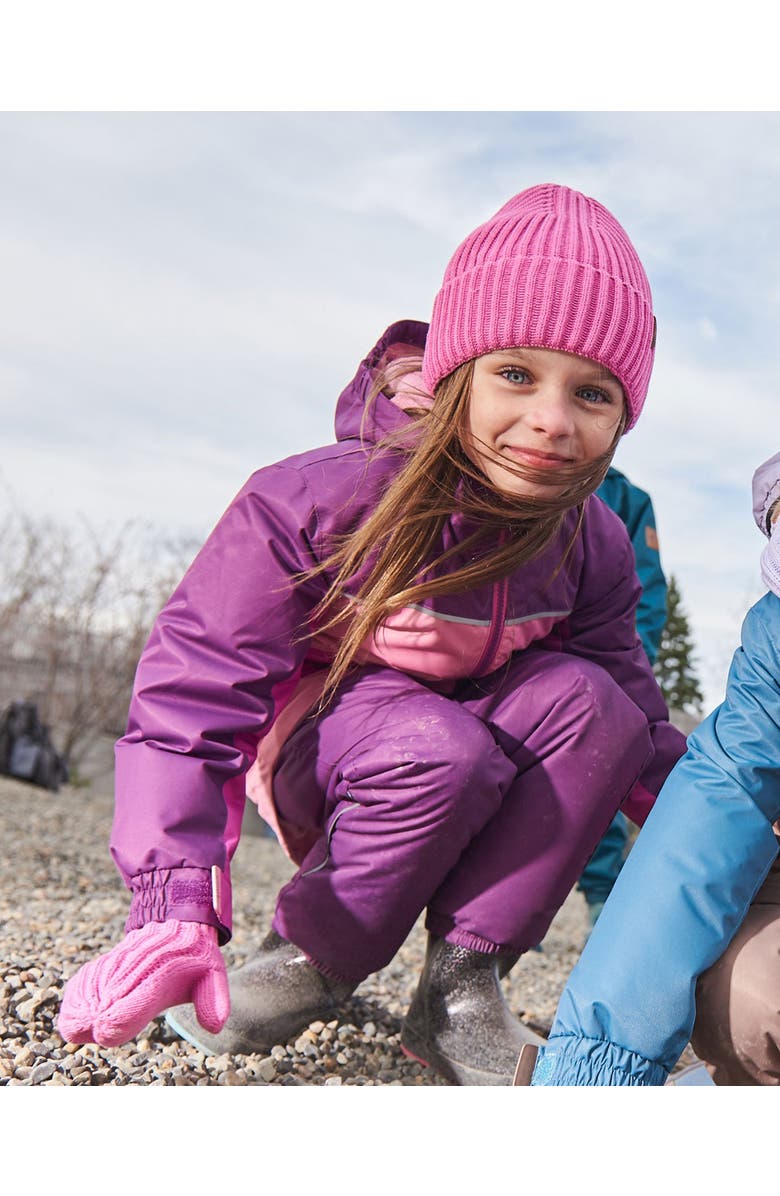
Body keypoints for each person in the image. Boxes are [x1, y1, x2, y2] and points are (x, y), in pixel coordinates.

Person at [56, 183, 687, 1086]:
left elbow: (638, 722)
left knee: (597, 707)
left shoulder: (596, 542)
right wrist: (173, 901)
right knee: (439, 746)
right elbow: (192, 694)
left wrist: (749, 838)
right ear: (456, 371)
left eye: (591, 392)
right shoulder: (317, 501)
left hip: (481, 759)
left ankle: (461, 988)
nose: (552, 420)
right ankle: (309, 959)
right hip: (333, 759)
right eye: (516, 375)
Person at [524, 451, 780, 1086]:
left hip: (595, 669)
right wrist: (597, 1061)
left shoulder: (627, 503)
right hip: (541, 694)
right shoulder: (774, 637)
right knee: (743, 999)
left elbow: (640, 601)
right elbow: (721, 796)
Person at [578, 467, 667, 927]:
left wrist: (634, 655)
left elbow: (648, 590)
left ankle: (601, 894)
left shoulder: (628, 498)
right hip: (531, 657)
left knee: (608, 773)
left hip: (610, 657)